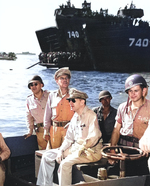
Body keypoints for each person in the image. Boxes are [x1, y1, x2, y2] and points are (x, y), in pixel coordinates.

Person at [37, 89, 102, 186]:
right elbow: (69, 138)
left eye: (73, 100)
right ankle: (44, 184)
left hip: (90, 151)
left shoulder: (91, 115)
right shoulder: (75, 117)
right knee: (47, 156)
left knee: (64, 164)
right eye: (69, 100)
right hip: (76, 148)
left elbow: (94, 137)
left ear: (82, 102)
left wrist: (78, 150)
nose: (70, 103)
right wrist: (61, 151)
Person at [110, 74, 150, 176]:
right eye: (130, 91)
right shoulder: (122, 107)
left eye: (136, 90)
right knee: (111, 172)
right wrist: (112, 149)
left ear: (144, 91)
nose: (132, 94)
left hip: (142, 152)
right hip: (123, 149)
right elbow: (116, 130)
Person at [43, 67, 75, 149]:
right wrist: (46, 131)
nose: (65, 80)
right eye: (62, 78)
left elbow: (79, 113)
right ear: (57, 81)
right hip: (54, 130)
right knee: (53, 154)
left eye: (67, 78)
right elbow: (47, 114)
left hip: (69, 129)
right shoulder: (52, 95)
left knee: (68, 153)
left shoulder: (74, 95)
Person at [24, 75, 50, 150]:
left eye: (36, 84)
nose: (33, 86)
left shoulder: (50, 96)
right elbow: (29, 116)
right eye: (31, 85)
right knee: (43, 153)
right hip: (40, 131)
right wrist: (30, 131)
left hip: (52, 128)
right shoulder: (29, 100)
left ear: (41, 85)